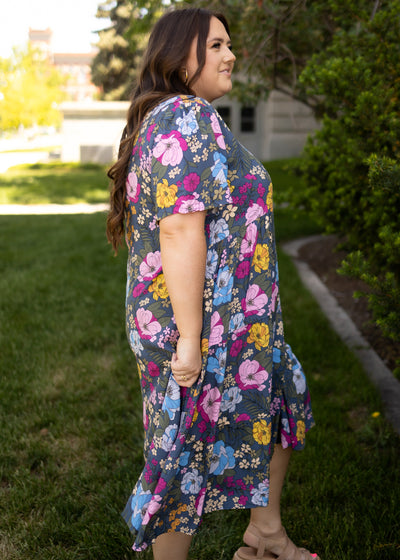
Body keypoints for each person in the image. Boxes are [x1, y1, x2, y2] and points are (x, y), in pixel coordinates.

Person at [106, 7, 318, 560]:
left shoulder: (183, 116)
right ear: (181, 55)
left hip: (237, 320)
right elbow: (179, 228)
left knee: (278, 395)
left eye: (231, 44)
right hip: (201, 325)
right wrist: (189, 340)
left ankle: (264, 534)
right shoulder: (184, 117)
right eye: (217, 45)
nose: (231, 55)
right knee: (180, 456)